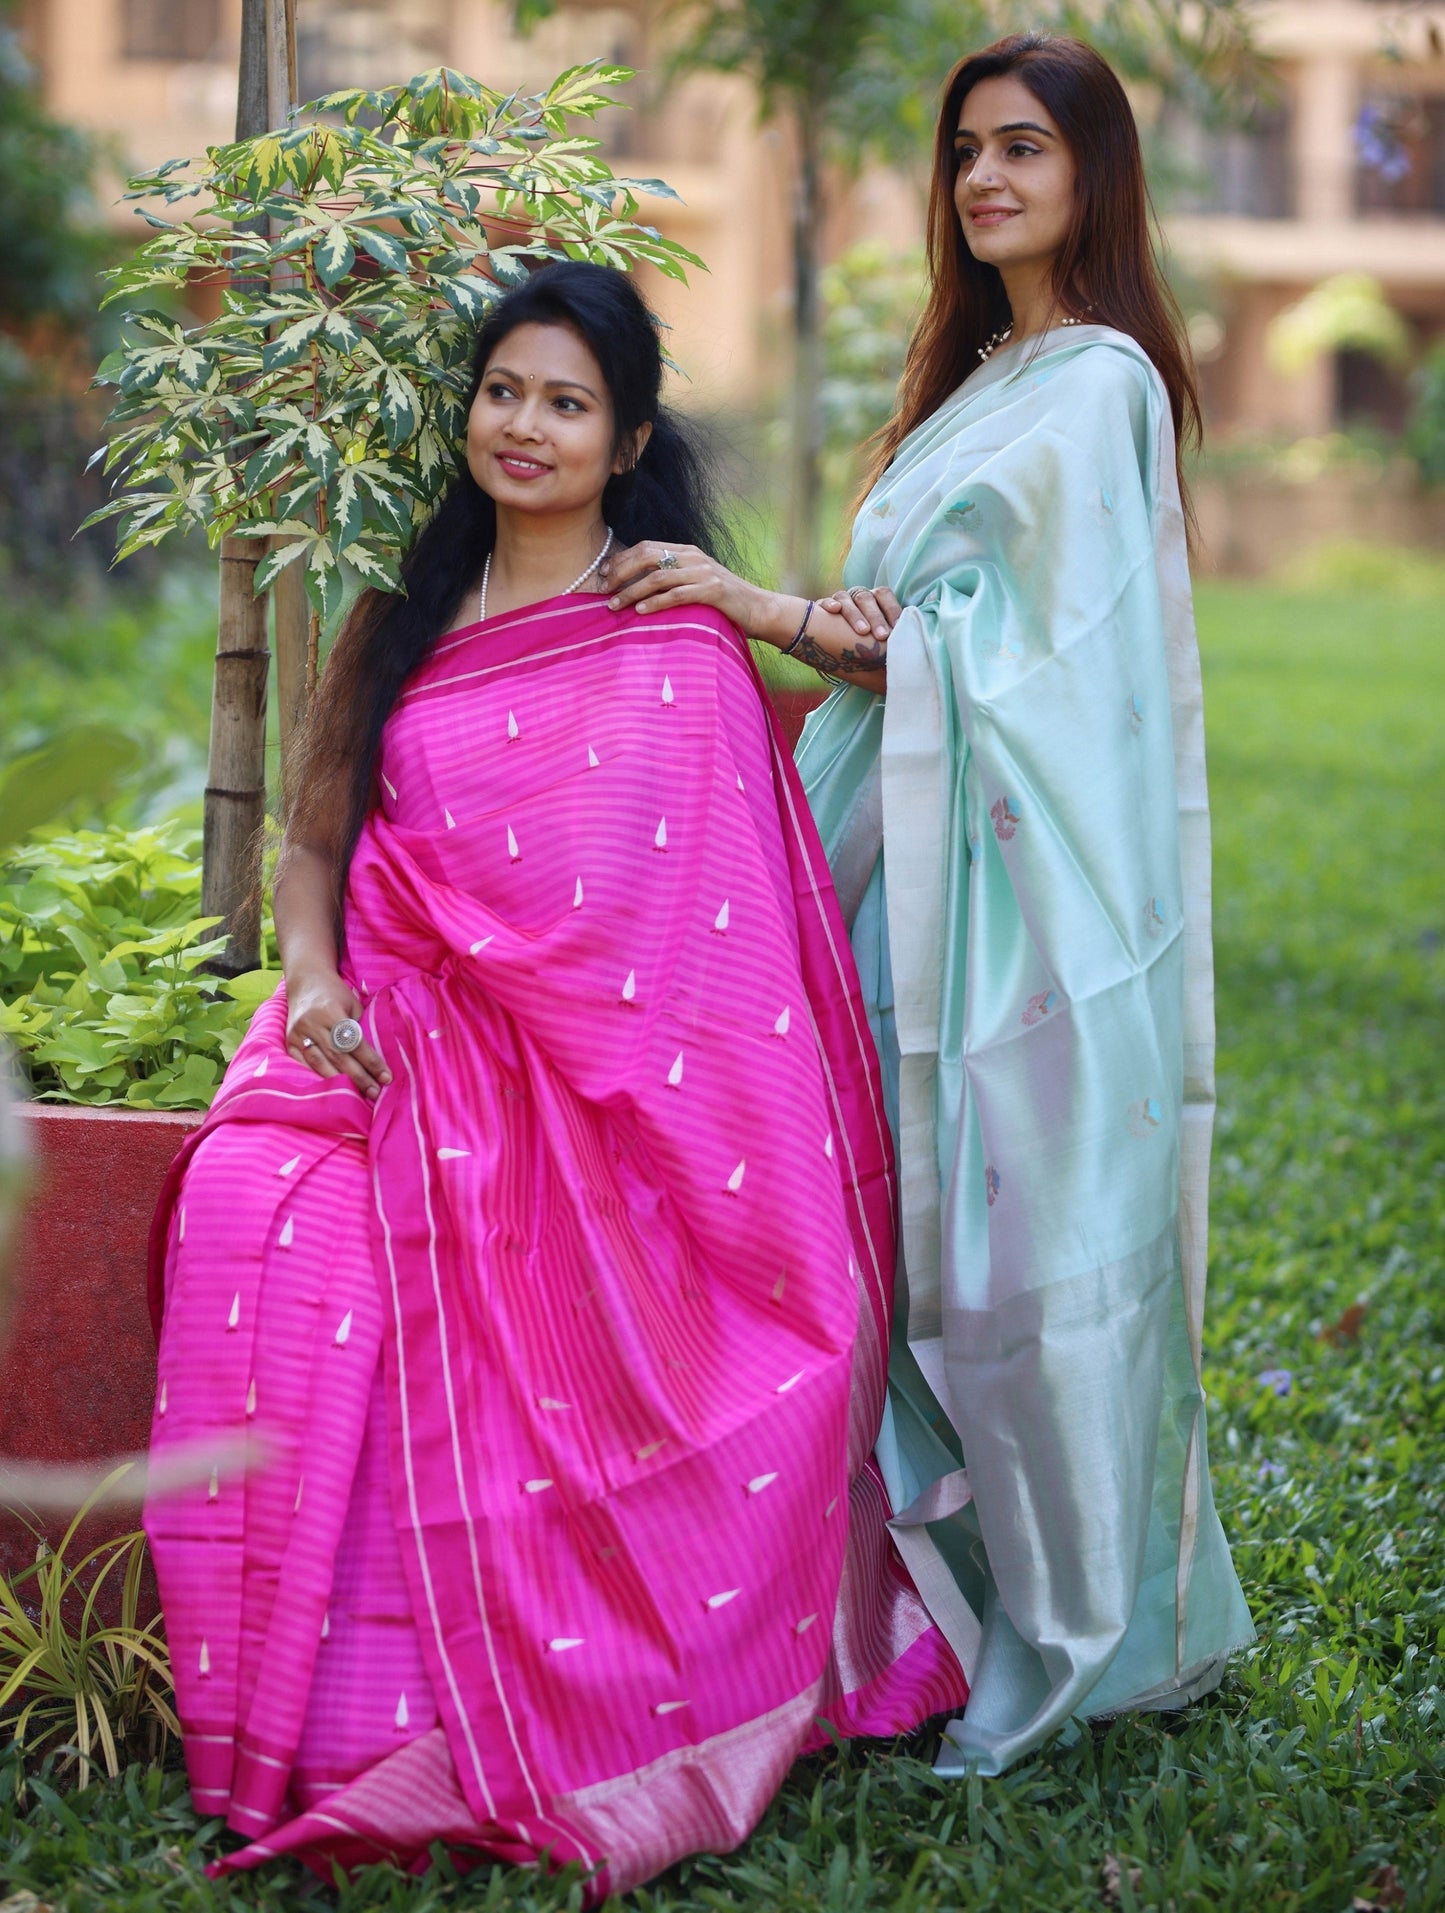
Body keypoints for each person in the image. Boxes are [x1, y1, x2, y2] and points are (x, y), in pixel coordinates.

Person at [143, 261, 969, 1894]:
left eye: (565, 402)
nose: (524, 426)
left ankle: (509, 1696)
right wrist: (308, 981)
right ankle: (304, 1716)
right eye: (503, 391)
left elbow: (705, 958)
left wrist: (824, 624)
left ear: (628, 436)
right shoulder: (395, 616)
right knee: (263, 1216)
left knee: (462, 1273)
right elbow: (311, 847)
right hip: (374, 1036)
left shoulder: (665, 634)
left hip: (608, 1109)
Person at [600, 34, 1254, 1775]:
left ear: (1090, 173)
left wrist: (754, 601)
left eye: (1023, 148)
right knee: (846, 1223)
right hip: (884, 845)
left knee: (1005, 1245)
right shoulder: (973, 378)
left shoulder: (1100, 378)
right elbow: (902, 636)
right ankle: (872, 1604)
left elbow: (1014, 656)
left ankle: (1060, 1603)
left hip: (1013, 889)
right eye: (966, 149)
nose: (983, 179)